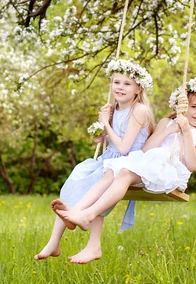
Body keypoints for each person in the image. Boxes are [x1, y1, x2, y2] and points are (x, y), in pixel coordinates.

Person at [51, 78, 196, 237]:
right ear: (180, 106)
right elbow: (147, 148)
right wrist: (169, 130)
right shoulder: (166, 122)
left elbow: (192, 164)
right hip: (147, 161)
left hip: (169, 171)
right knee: (111, 172)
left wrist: (187, 132)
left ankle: (89, 214)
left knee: (124, 173)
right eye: (193, 106)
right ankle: (77, 210)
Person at [34, 59, 155, 263]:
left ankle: (88, 235)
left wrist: (105, 125)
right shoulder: (114, 108)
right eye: (116, 82)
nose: (120, 87)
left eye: (127, 83)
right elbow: (114, 141)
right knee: (77, 176)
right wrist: (103, 135)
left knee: (98, 179)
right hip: (108, 160)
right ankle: (54, 241)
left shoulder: (139, 110)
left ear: (138, 88)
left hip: (127, 163)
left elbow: (125, 148)